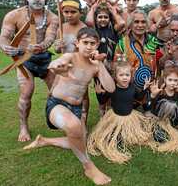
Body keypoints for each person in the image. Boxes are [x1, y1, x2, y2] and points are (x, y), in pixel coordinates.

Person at [23, 28, 115, 185]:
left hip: (77, 109)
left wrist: (99, 64)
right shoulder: (70, 56)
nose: (88, 46)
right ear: (77, 43)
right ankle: (89, 167)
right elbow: (56, 63)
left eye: (92, 43)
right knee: (74, 128)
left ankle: (44, 141)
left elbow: (111, 88)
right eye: (85, 42)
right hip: (57, 105)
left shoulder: (94, 66)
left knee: (79, 141)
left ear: (97, 45)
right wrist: (59, 66)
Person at [0, 0, 59, 142]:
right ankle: (23, 126)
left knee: (56, 92)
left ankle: (53, 118)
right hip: (24, 60)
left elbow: (50, 37)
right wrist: (4, 46)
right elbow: (3, 37)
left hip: (44, 58)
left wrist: (42, 45)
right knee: (26, 93)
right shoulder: (14, 15)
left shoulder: (52, 17)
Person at [87, 59, 152, 164]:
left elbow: (139, 97)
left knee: (134, 137)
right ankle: (115, 137)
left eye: (127, 75)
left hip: (129, 117)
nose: (125, 77)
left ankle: (125, 135)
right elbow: (103, 101)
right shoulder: (112, 89)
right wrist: (99, 93)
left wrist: (145, 89)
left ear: (131, 76)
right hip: (115, 117)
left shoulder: (133, 87)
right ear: (115, 77)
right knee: (111, 137)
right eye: (121, 75)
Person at [53, 0, 90, 125]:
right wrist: (58, 46)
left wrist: (78, 49)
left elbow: (88, 51)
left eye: (73, 12)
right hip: (65, 67)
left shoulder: (84, 28)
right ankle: (71, 119)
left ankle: (83, 120)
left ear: (80, 12)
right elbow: (57, 50)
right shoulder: (61, 28)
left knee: (82, 94)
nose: (69, 15)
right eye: (66, 12)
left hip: (81, 67)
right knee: (65, 94)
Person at [145, 60, 178, 152]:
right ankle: (160, 130)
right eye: (170, 80)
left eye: (175, 80)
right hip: (158, 119)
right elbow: (148, 107)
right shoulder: (160, 92)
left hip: (172, 121)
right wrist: (152, 96)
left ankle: (169, 129)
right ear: (165, 79)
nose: (172, 83)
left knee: (174, 107)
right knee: (159, 136)